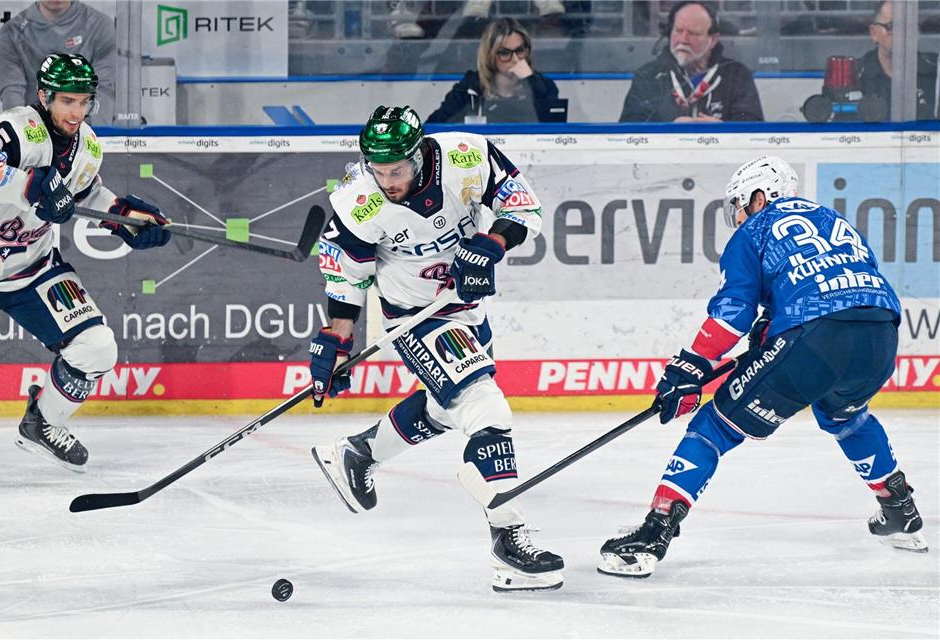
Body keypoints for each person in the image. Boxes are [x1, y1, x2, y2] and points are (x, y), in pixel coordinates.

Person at [598, 156, 928, 579]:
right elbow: (845, 282)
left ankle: (652, 535)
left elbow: (733, 310)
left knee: (712, 427)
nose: (737, 216)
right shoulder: (831, 218)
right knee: (844, 414)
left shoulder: (754, 230)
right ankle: (898, 507)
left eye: (739, 204)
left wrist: (689, 367)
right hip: (880, 334)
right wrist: (775, 325)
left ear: (759, 196)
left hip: (814, 337)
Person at [309, 105, 564, 592]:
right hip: (414, 316)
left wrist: (491, 243)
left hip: (465, 307)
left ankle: (358, 453)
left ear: (420, 156)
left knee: (444, 408)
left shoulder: (466, 155)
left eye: (398, 171)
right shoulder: (357, 201)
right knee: (483, 405)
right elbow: (346, 277)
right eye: (378, 171)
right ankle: (509, 539)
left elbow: (522, 207)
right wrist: (335, 341)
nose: (389, 182)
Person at [0, 53, 172, 472]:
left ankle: (43, 422)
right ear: (44, 96)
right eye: (67, 100)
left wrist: (124, 216)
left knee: (97, 347)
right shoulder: (15, 129)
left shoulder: (87, 145)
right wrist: (30, 184)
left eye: (84, 101)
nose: (76, 112)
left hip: (33, 268)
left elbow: (85, 195)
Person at [619, 1, 763, 123]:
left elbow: (754, 132)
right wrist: (668, 130)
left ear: (713, 40)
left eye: (693, 33)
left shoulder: (738, 75)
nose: (683, 40)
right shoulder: (648, 76)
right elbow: (628, 133)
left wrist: (722, 131)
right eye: (678, 31)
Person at [0, 1, 116, 126]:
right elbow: (12, 93)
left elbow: (103, 89)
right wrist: (25, 134)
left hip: (84, 132)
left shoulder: (100, 26)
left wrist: (89, 137)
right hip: (34, 133)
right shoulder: (12, 32)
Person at [426, 18, 561, 124]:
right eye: (504, 53)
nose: (515, 59)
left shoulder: (544, 86)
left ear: (528, 50)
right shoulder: (470, 88)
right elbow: (434, 125)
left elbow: (556, 133)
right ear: (490, 55)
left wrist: (531, 82)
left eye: (520, 51)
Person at [857, 0, 939, 120]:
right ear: (874, 33)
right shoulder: (854, 74)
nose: (903, 33)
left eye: (910, 26)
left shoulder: (936, 70)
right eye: (892, 26)